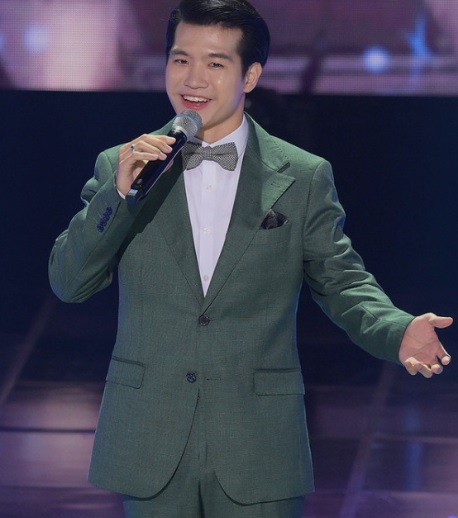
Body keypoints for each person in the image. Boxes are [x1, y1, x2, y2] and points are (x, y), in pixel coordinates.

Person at [48, 0, 453, 516]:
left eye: (215, 63)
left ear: (251, 75)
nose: (193, 79)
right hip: (149, 435)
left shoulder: (302, 175)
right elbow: (69, 281)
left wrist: (396, 329)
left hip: (258, 441)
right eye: (180, 59)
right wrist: (119, 196)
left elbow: (342, 282)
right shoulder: (122, 165)